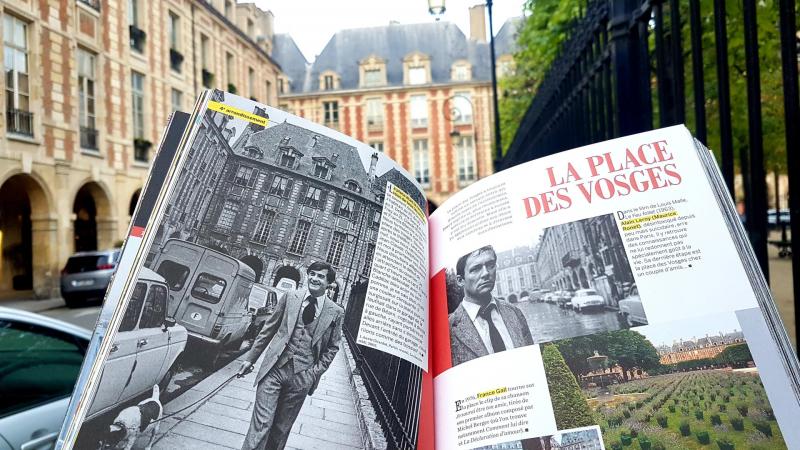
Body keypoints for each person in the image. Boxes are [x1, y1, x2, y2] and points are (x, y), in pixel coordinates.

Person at [238, 261, 344, 450]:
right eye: (312, 273)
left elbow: (333, 347)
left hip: (302, 377)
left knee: (280, 430)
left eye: (321, 276)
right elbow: (268, 330)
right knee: (261, 425)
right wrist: (250, 359)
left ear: (329, 283)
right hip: (274, 369)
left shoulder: (335, 312)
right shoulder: (290, 297)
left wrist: (313, 373)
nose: (314, 278)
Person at [449, 245, 534, 367]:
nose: (486, 273)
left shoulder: (515, 313)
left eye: (490, 265)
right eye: (476, 268)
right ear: (460, 280)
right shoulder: (450, 328)